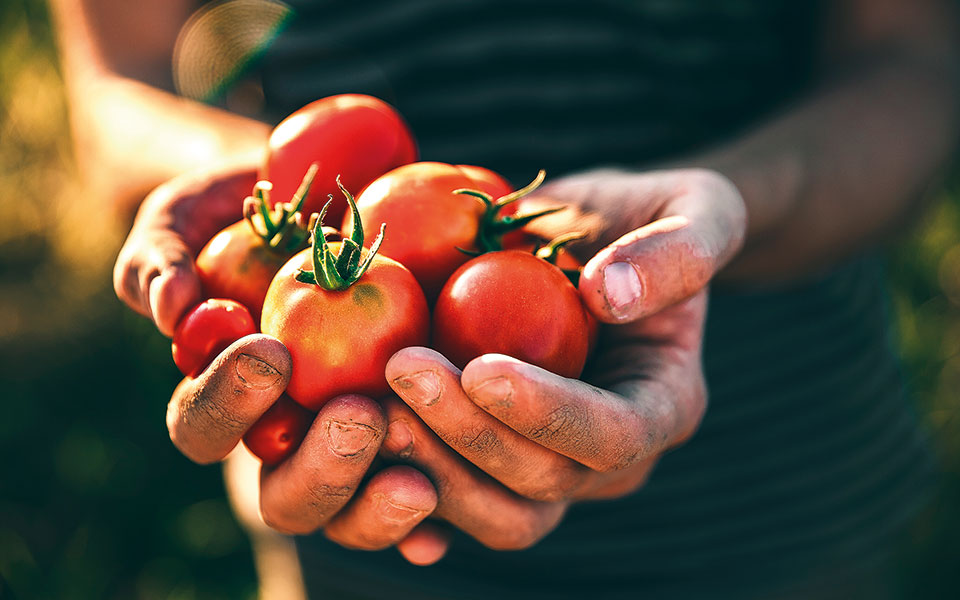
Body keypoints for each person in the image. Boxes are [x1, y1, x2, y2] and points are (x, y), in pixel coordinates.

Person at [51, 0, 960, 598]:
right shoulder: (367, 266)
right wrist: (258, 199)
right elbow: (117, 84)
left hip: (783, 492)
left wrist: (723, 216)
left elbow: (915, 63)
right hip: (357, 520)